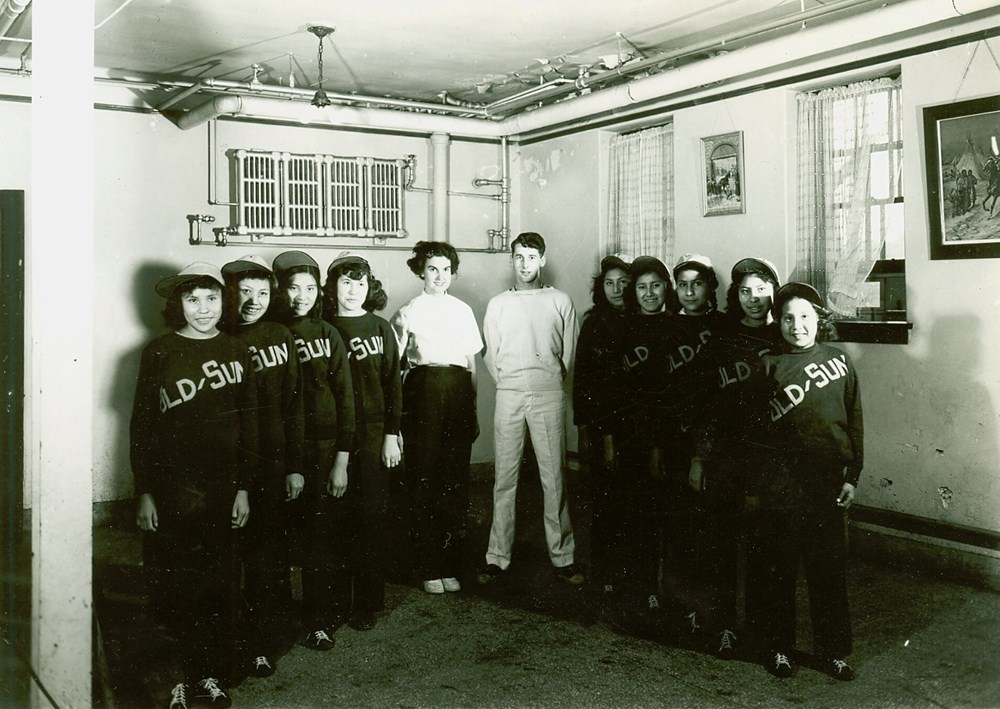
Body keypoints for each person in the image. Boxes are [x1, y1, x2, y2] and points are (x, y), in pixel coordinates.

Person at [131, 262, 258, 709]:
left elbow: (250, 427)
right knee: (171, 581)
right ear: (177, 304)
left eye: (210, 299)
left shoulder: (238, 350)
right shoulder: (159, 351)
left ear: (224, 302)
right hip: (171, 486)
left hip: (223, 485)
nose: (202, 309)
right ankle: (175, 679)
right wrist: (144, 491)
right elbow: (141, 426)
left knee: (218, 582)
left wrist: (244, 488)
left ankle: (211, 674)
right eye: (191, 299)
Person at [745, 282, 863, 681]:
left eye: (806, 317)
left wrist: (854, 475)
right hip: (781, 485)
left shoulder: (839, 361)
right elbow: (753, 433)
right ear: (777, 321)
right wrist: (761, 484)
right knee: (777, 568)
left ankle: (833, 651)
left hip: (827, 483)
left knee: (827, 569)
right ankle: (777, 647)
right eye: (789, 318)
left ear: (819, 319)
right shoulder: (767, 367)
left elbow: (854, 421)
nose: (798, 326)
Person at [477, 232, 583, 586]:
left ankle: (562, 555)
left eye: (531, 257)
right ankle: (498, 555)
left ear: (543, 259)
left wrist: (547, 381)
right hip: (509, 392)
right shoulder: (498, 304)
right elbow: (491, 355)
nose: (525, 264)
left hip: (548, 391)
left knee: (553, 477)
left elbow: (568, 353)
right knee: (504, 476)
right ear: (513, 260)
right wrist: (510, 383)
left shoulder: (559, 301)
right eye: (519, 257)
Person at [693, 256, 782, 660]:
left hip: (768, 460)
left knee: (765, 548)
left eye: (761, 289)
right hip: (726, 456)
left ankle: (764, 633)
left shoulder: (785, 339)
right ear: (735, 295)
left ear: (774, 293)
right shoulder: (722, 338)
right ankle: (723, 626)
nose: (753, 298)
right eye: (745, 290)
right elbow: (706, 406)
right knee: (720, 545)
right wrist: (700, 458)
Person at [220, 254, 304, 679]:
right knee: (226, 561)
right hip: (227, 465)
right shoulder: (216, 336)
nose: (254, 301)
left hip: (271, 461)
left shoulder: (280, 335)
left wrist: (294, 465)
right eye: (245, 292)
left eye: (263, 293)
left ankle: (261, 645)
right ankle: (226, 648)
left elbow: (294, 403)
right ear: (228, 294)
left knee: (267, 556)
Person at [270, 250, 355, 652]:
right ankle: (277, 621)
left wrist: (341, 459)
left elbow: (346, 397)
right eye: (292, 287)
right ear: (279, 289)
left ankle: (319, 619)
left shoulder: (328, 333)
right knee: (278, 539)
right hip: (282, 450)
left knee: (320, 538)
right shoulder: (269, 332)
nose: (301, 296)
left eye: (309, 287)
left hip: (323, 450)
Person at [391, 241, 483, 595]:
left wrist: (471, 408)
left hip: (458, 394)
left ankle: (449, 564)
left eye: (446, 269)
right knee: (424, 479)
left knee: (454, 480)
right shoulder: (408, 312)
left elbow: (471, 365)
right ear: (420, 270)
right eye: (433, 269)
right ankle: (427, 564)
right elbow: (396, 370)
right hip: (423, 393)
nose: (440, 276)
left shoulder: (462, 310)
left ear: (453, 272)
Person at [323, 252, 403, 631]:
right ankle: (336, 600)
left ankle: (366, 604)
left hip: (372, 433)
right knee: (336, 519)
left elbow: (393, 385)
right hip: (333, 435)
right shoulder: (323, 326)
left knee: (371, 518)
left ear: (369, 287)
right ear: (332, 287)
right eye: (345, 282)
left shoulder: (381, 327)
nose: (353, 290)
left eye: (360, 283)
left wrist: (391, 434)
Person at [615, 255, 679, 630]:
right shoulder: (623, 328)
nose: (649, 293)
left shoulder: (675, 327)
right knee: (635, 514)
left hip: (670, 436)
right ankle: (640, 588)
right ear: (633, 292)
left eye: (656, 285)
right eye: (642, 287)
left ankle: (668, 588)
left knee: (668, 514)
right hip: (632, 436)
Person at [572, 253, 632, 610]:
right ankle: (606, 576)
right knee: (605, 500)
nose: (616, 289)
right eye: (609, 283)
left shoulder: (643, 320)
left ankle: (631, 575)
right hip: (601, 424)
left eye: (623, 282)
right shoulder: (594, 322)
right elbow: (583, 380)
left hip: (634, 427)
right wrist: (583, 425)